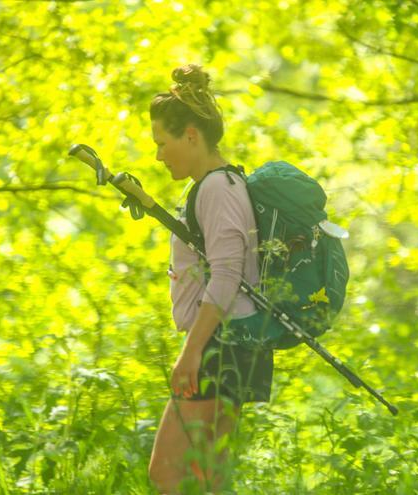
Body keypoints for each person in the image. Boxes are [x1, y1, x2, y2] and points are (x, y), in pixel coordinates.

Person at [147, 64, 273, 494]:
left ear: (191, 136)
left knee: (168, 473)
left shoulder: (218, 188)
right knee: (207, 477)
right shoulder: (217, 185)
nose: (159, 155)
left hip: (221, 345)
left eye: (162, 144)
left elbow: (227, 276)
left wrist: (191, 352)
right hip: (231, 344)